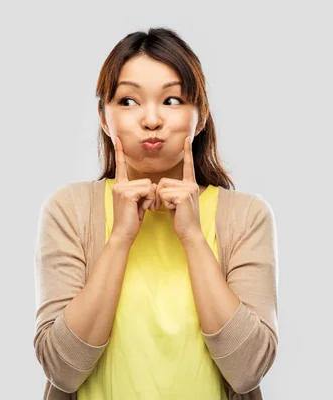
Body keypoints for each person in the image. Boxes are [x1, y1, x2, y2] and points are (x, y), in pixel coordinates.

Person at [33, 27, 279, 400]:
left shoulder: (245, 216)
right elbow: (63, 370)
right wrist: (119, 239)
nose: (151, 119)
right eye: (129, 101)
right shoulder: (69, 210)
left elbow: (247, 371)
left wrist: (194, 238)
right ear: (103, 116)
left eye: (172, 100)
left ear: (200, 116)